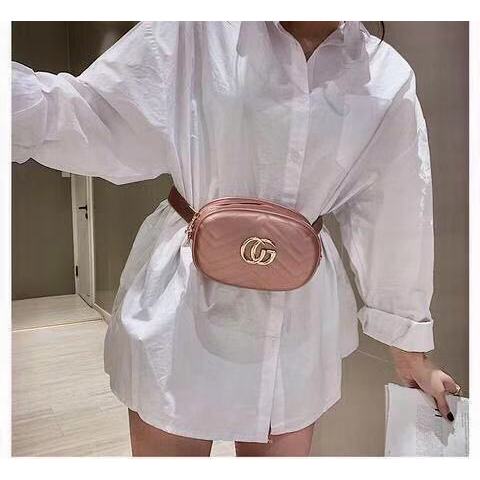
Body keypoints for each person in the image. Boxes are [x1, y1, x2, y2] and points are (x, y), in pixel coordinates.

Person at [11, 20, 460, 457]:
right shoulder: (198, 28)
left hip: (297, 317)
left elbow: (396, 211)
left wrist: (409, 349)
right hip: (184, 301)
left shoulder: (385, 76)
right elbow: (94, 115)